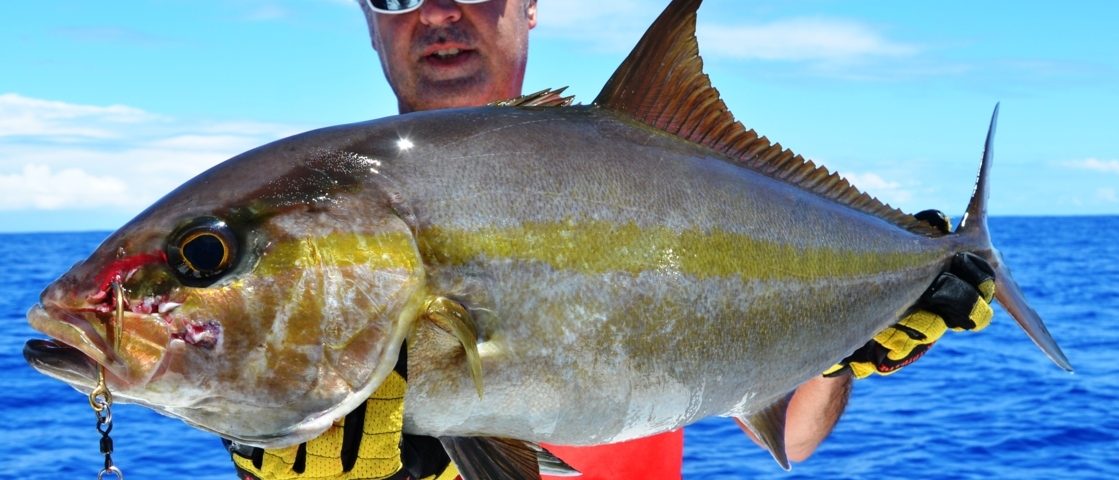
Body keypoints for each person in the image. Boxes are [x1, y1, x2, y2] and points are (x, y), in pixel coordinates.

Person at [229, 1, 996, 478]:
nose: (435, 11)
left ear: (531, 4)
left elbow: (792, 438)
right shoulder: (302, 226)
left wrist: (833, 347)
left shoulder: (678, 185)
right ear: (366, 19)